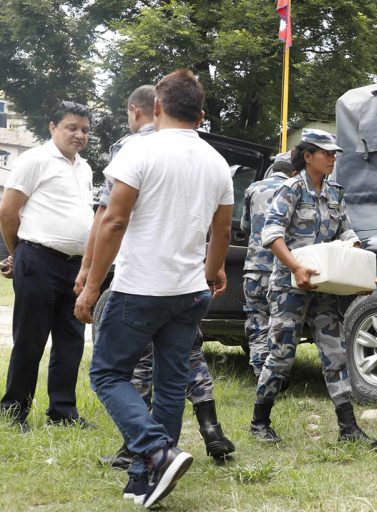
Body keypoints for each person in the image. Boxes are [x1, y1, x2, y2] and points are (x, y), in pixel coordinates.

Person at [74, 69, 233, 508]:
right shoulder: (217, 162)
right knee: (170, 382)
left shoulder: (138, 151)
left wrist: (90, 286)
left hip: (141, 287)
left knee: (107, 373)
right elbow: (222, 231)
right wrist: (214, 270)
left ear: (158, 106)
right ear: (200, 115)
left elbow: (114, 219)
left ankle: (156, 450)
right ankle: (148, 477)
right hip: (189, 291)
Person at [249, 128, 377, 448]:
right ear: (308, 156)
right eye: (326, 153)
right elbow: (272, 235)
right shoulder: (291, 190)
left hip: (324, 284)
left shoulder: (335, 193)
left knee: (335, 351)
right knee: (281, 354)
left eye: (335, 154)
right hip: (288, 285)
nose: (333, 158)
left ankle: (349, 427)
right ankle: (259, 421)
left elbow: (347, 233)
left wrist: (358, 271)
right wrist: (295, 267)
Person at [0, 101, 95, 433]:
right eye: (71, 127)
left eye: (84, 129)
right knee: (30, 339)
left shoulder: (85, 168)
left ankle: (62, 411)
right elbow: (8, 212)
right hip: (37, 260)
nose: (79, 134)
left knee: (71, 340)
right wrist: (20, 253)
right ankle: (14, 412)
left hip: (75, 267)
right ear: (53, 127)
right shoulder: (33, 160)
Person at [241, 151, 298, 383]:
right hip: (282, 269)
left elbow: (245, 225)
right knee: (280, 323)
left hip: (254, 269)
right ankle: (276, 376)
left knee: (257, 322)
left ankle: (259, 374)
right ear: (293, 171)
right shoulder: (296, 190)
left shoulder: (253, 189)